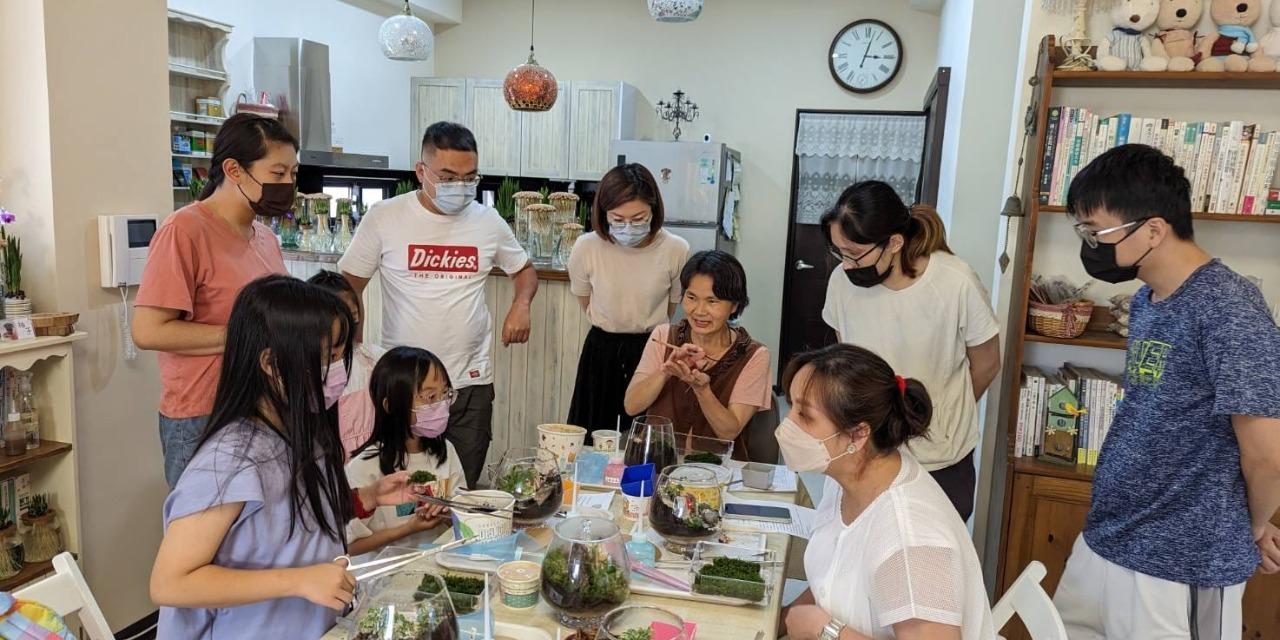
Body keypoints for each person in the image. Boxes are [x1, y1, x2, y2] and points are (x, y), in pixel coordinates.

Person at [1052, 144, 1280, 638]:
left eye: (1095, 232)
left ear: (1154, 230)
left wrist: (1253, 526)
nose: (1089, 244)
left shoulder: (1230, 308)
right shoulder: (1149, 299)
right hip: (1109, 537)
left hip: (1181, 564)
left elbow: (1266, 455)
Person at [149, 275, 417, 639]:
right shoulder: (230, 460)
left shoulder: (304, 433)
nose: (339, 371)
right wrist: (298, 581)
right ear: (272, 364)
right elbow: (170, 583)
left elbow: (289, 529)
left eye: (341, 355)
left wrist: (366, 499)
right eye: (327, 358)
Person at [338, 122, 538, 488]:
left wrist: (521, 304)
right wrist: (357, 354)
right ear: (421, 172)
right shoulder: (385, 217)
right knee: (399, 491)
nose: (459, 187)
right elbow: (348, 289)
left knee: (460, 489)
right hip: (404, 387)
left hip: (469, 384)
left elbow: (524, 270)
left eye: (469, 177)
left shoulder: (487, 221)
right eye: (447, 176)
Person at [779, 343, 995, 640]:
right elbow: (835, 574)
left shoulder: (909, 540)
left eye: (804, 415)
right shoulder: (846, 475)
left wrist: (824, 630)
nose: (788, 424)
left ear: (857, 434)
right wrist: (780, 620)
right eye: (791, 406)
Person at [820, 181, 1000, 521]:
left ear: (895, 242)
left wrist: (941, 410)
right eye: (838, 252)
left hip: (938, 460)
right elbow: (849, 362)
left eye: (855, 253)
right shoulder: (842, 284)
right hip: (867, 451)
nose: (845, 265)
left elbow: (988, 363)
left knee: (927, 564)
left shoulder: (954, 281)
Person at [134, 113, 295, 488]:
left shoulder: (265, 238)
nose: (288, 183)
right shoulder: (184, 230)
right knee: (204, 538)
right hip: (203, 415)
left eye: (293, 173)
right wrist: (242, 337)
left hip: (263, 409)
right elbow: (148, 330)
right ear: (234, 170)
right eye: (277, 173)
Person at [566, 163, 690, 435]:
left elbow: (671, 306)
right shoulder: (587, 247)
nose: (628, 227)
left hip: (652, 348)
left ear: (654, 210)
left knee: (648, 437)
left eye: (638, 218)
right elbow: (586, 302)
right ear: (603, 213)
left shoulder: (675, 249)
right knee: (592, 434)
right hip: (601, 350)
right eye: (618, 219)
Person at [624, 251, 771, 460]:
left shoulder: (754, 355)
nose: (699, 311)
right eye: (691, 297)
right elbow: (632, 406)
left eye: (712, 301)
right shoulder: (664, 335)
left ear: (735, 305)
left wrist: (702, 390)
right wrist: (666, 369)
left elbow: (728, 432)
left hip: (717, 470)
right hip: (657, 461)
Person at [345, 346, 465, 557]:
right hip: (384, 578)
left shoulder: (445, 451)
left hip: (438, 564)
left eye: (445, 393)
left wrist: (448, 514)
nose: (441, 404)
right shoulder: (364, 465)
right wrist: (408, 529)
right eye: (429, 397)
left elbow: (462, 516)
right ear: (390, 405)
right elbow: (350, 546)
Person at [308, 269, 388, 458]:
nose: (350, 325)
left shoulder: (374, 361)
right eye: (340, 317)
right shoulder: (301, 370)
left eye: (353, 314)